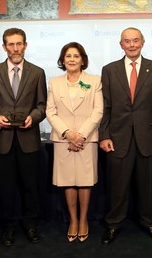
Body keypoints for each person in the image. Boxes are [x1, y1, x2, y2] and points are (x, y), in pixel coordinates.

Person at [0, 28, 47, 247]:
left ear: (25, 45)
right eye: (11, 44)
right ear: (4, 47)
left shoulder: (37, 72)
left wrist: (33, 117)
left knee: (30, 186)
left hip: (29, 138)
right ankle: (7, 227)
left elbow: (42, 105)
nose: (15, 48)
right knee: (5, 187)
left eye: (19, 44)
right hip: (3, 140)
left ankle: (30, 224)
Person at [99, 27, 152, 244]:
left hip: (148, 138)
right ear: (121, 45)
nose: (131, 45)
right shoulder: (109, 70)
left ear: (143, 42)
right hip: (118, 138)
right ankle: (113, 224)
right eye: (127, 41)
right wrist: (104, 135)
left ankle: (149, 223)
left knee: (147, 186)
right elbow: (106, 106)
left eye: (135, 40)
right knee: (117, 186)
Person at [46, 42, 103, 243]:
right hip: (63, 140)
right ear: (62, 60)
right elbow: (50, 112)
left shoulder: (95, 81)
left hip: (87, 140)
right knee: (68, 181)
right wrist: (68, 133)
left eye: (76, 56)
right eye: (68, 56)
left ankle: (83, 220)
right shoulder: (54, 82)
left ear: (83, 59)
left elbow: (98, 111)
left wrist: (81, 136)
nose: (71, 59)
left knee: (85, 181)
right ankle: (73, 220)